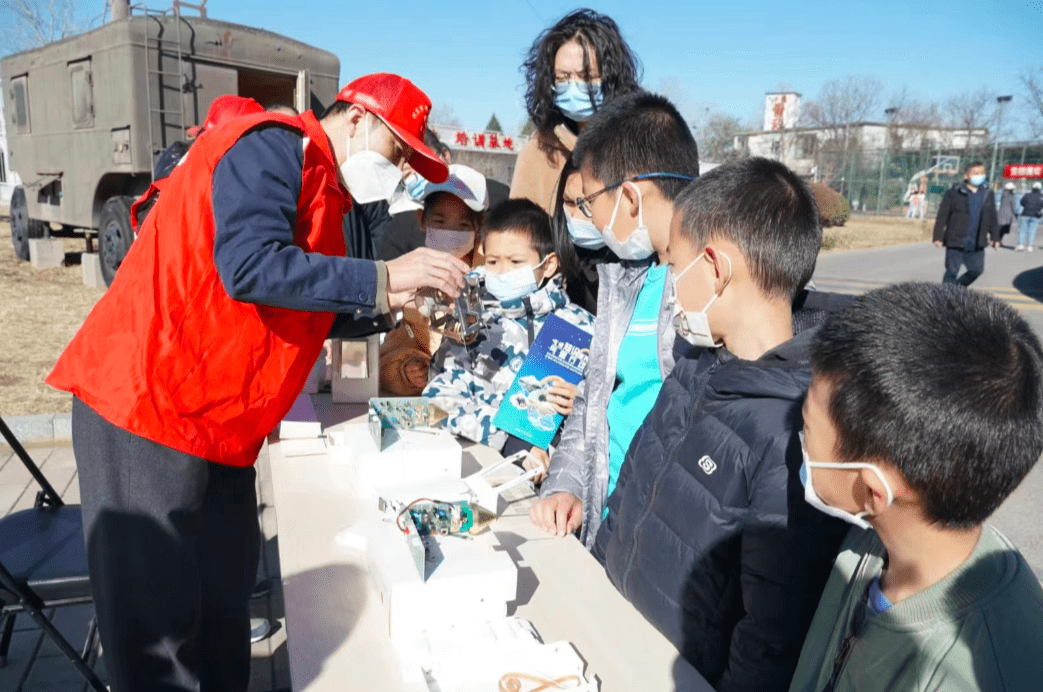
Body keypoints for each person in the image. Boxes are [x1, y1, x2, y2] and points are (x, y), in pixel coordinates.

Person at [46, 73, 468, 692]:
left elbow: (304, 299)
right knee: (158, 636)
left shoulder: (328, 193)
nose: (401, 170)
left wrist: (396, 300)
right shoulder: (272, 146)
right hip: (147, 405)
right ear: (356, 119)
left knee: (223, 606)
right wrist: (382, 275)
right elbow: (250, 266)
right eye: (399, 150)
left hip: (217, 422)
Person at [592, 157, 850, 691]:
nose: (667, 285)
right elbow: (631, 491)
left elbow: (770, 636)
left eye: (673, 265)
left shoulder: (795, 429)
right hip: (610, 638)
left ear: (715, 267)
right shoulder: (693, 364)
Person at [789, 281, 1043, 692]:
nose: (798, 438)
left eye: (806, 426)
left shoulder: (984, 674)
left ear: (874, 493)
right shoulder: (882, 538)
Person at [530, 91, 699, 544]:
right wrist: (567, 485)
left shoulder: (706, 293)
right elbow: (594, 406)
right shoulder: (623, 284)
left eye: (588, 203)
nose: (589, 218)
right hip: (605, 528)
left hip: (657, 538)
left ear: (628, 196)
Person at [424, 198, 594, 478]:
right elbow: (439, 398)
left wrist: (584, 400)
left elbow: (612, 404)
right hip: (482, 470)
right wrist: (508, 438)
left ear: (548, 264)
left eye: (515, 262)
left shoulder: (583, 328)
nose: (501, 272)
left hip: (562, 480)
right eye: (492, 261)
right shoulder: (472, 324)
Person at [510, 9, 641, 213]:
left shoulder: (641, 146)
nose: (573, 87)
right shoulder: (539, 151)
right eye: (562, 78)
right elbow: (517, 230)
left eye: (586, 76)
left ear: (611, 78)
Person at [379, 164, 489, 396]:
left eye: (463, 225)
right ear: (421, 218)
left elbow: (472, 332)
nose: (450, 231)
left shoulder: (492, 273)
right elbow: (396, 348)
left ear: (479, 228)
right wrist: (406, 369)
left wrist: (435, 312)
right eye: (440, 222)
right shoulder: (415, 277)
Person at [551, 158, 618, 315]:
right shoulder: (554, 261)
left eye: (587, 203)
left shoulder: (644, 267)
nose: (575, 215)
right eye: (568, 202)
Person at [932, 161, 997, 286]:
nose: (979, 176)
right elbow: (942, 216)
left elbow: (992, 216)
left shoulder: (987, 194)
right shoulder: (953, 193)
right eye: (975, 173)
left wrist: (995, 237)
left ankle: (955, 290)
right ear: (966, 176)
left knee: (976, 270)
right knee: (951, 271)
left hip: (977, 241)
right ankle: (943, 299)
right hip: (956, 240)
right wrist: (938, 236)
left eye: (982, 173)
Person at [1017, 181, 1043, 252]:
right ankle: (1029, 246)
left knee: (1022, 230)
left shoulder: (1027, 195)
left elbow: (1021, 202)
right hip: (1035, 215)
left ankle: (1020, 245)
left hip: (1025, 213)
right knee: (1032, 231)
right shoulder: (1041, 196)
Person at [997, 181, 1018, 249]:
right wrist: (1015, 213)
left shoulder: (1002, 194)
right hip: (1008, 215)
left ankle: (996, 241)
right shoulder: (1011, 195)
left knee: (999, 228)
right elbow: (1013, 206)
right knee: (1003, 229)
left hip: (1000, 213)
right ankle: (999, 241)